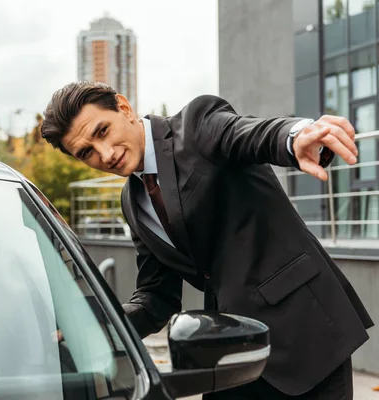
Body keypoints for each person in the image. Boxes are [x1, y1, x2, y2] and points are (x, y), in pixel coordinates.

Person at [39, 81, 375, 399]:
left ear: (124, 108)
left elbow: (249, 134)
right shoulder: (133, 203)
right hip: (231, 356)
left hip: (306, 335)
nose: (105, 153)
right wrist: (96, 324)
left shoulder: (196, 126)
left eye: (102, 131)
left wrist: (296, 135)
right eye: (87, 153)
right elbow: (156, 299)